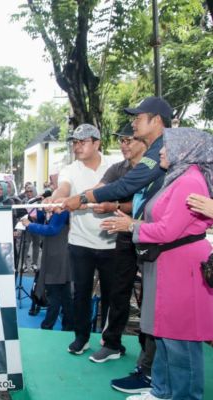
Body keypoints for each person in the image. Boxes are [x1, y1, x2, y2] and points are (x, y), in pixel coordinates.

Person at [62, 97, 173, 393]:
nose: (133, 125)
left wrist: (85, 199)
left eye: (138, 118)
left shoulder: (165, 148)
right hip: (146, 240)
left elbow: (126, 188)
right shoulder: (154, 151)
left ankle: (153, 377)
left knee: (159, 310)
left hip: (166, 243)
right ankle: (148, 371)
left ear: (157, 120)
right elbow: (114, 187)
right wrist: (76, 198)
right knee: (148, 306)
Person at [101, 128, 213, 400]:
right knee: (165, 335)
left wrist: (131, 226)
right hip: (170, 264)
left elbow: (168, 231)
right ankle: (162, 391)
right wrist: (134, 225)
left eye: (166, 147)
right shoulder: (177, 177)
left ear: (184, 150)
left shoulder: (189, 181)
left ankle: (184, 395)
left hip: (183, 268)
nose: (160, 151)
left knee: (181, 340)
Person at [48, 124, 118, 355]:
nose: (77, 147)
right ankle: (81, 337)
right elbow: (63, 189)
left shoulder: (114, 166)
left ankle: (110, 342)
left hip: (112, 243)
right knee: (80, 293)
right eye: (74, 142)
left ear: (97, 143)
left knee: (112, 295)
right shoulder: (70, 169)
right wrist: (55, 199)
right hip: (80, 243)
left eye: (82, 142)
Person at [89, 125, 148, 363]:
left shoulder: (155, 168)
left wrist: (114, 206)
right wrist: (72, 199)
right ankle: (112, 343)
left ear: (144, 141)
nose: (124, 145)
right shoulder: (118, 168)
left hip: (151, 236)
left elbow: (142, 204)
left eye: (129, 140)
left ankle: (149, 351)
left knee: (151, 296)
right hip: (124, 235)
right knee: (118, 290)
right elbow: (99, 190)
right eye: (121, 141)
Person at [22, 209, 73, 331]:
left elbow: (51, 229)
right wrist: (38, 211)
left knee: (54, 293)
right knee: (65, 295)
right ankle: (69, 326)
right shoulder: (54, 211)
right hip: (57, 255)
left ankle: (47, 326)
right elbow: (41, 221)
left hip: (57, 257)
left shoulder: (62, 211)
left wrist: (30, 225)